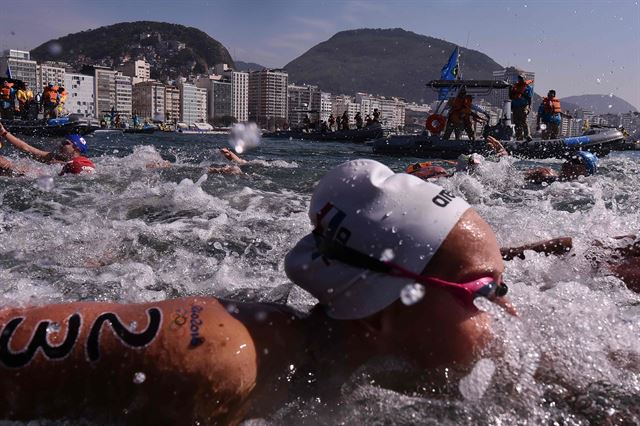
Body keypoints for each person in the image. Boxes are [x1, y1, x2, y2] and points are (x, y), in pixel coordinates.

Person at [0, 159, 513, 423]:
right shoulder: (213, 356)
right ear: (378, 311)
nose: (510, 308)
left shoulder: (381, 349)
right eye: (486, 294)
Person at [0, 123, 95, 176]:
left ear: (76, 148)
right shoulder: (54, 157)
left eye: (65, 143)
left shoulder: (78, 163)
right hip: (45, 180)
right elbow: (27, 148)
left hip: (53, 184)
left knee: (13, 167)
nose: (60, 145)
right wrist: (4, 132)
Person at [509, 74, 534, 141]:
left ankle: (527, 135)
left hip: (524, 106)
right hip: (515, 106)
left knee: (524, 121)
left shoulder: (528, 87)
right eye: (519, 78)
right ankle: (519, 137)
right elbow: (511, 97)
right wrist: (510, 90)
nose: (520, 79)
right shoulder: (514, 87)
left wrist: (529, 107)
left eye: (522, 78)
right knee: (517, 123)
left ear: (524, 79)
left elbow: (529, 98)